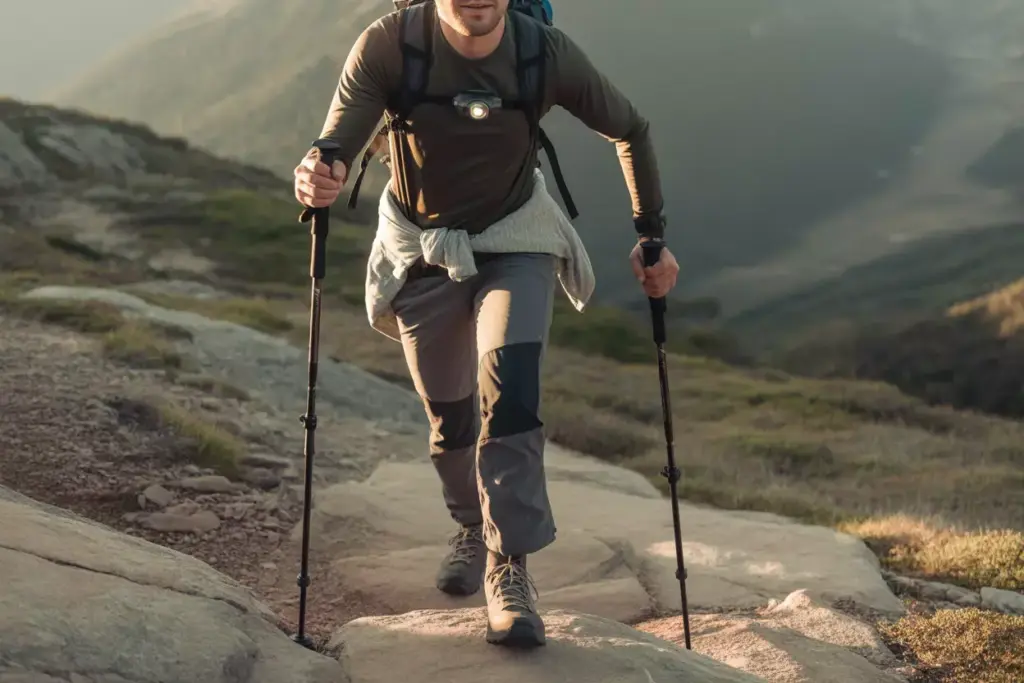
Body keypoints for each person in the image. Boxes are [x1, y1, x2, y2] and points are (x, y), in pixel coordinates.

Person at [293, 0, 678, 649]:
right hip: (421, 248)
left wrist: (651, 236)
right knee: (450, 416)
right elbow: (337, 141)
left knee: (510, 387)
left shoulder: (540, 53)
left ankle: (510, 567)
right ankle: (471, 525)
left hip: (517, 237)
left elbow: (631, 127)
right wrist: (317, 172)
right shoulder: (392, 45)